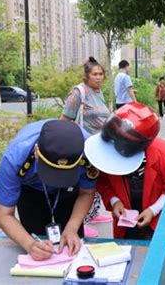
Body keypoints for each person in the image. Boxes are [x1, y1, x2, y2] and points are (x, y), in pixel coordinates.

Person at [0, 119, 97, 260]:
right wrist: (29, 244)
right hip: (31, 189)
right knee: (38, 248)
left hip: (70, 190)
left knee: (73, 246)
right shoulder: (14, 160)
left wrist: (72, 227)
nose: (58, 181)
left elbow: (86, 193)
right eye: (52, 171)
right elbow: (4, 214)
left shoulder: (90, 153)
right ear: (37, 152)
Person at [84, 103, 165, 240]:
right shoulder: (105, 151)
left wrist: (153, 210)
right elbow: (103, 180)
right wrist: (115, 201)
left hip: (158, 220)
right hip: (125, 221)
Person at [61, 57, 112, 237]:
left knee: (94, 181)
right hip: (82, 147)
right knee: (82, 186)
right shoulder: (78, 93)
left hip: (97, 147)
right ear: (86, 76)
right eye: (94, 74)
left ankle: (93, 213)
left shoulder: (98, 92)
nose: (98, 77)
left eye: (101, 74)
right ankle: (81, 221)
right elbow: (64, 121)